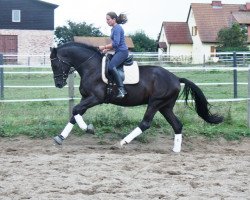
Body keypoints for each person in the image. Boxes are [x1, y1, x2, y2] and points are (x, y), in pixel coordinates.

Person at [99, 12, 129, 99]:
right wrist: (107, 49)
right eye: (106, 19)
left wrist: (104, 46)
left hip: (122, 52)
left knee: (111, 67)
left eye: (108, 19)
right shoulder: (113, 29)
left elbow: (116, 43)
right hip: (118, 51)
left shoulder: (117, 28)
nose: (106, 21)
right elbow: (114, 44)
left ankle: (121, 89)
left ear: (114, 19)